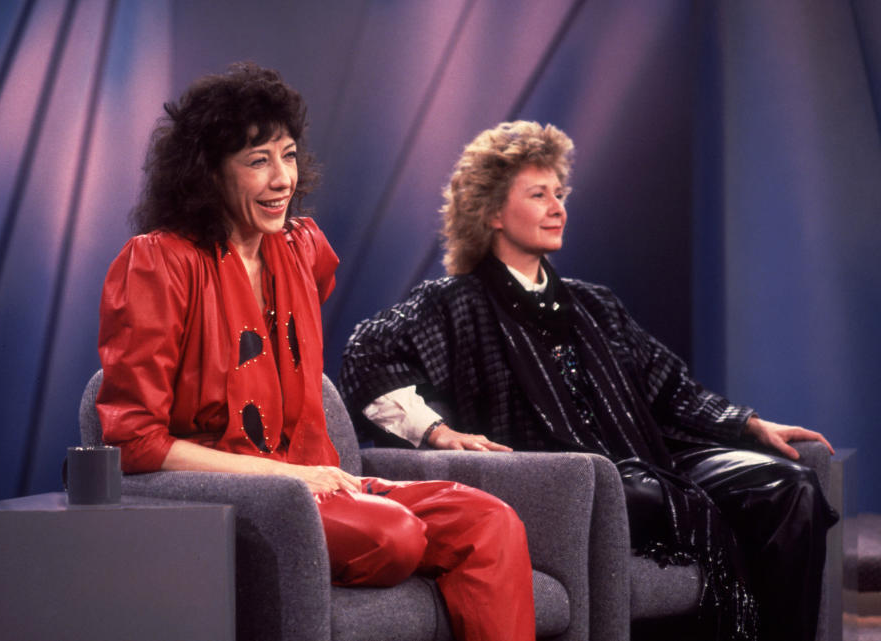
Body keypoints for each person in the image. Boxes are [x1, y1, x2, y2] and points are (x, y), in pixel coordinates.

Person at [339, 120, 838, 641]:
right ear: (490, 213)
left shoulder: (594, 303)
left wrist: (749, 424)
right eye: (538, 195)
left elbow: (669, 387)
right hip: (561, 477)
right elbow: (368, 357)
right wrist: (437, 432)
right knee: (639, 492)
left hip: (645, 460)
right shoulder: (453, 302)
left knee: (789, 487)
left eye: (559, 193)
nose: (558, 207)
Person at [96, 63, 536, 641]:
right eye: (258, 161)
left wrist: (315, 475)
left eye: (289, 155)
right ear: (207, 174)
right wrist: (292, 477)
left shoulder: (303, 248)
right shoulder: (159, 262)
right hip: (237, 496)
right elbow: (131, 442)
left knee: (492, 522)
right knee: (394, 534)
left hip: (323, 484)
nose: (282, 179)